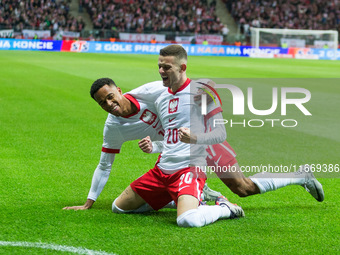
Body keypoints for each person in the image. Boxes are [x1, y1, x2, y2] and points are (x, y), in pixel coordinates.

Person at [112, 44, 245, 228]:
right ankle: (180, 198)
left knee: (187, 220)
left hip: (189, 169)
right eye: (159, 66)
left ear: (182, 68)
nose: (161, 71)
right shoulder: (161, 99)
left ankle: (225, 208)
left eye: (167, 67)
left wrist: (195, 138)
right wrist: (154, 147)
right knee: (119, 207)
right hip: (161, 170)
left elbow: (221, 134)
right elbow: (170, 137)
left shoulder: (202, 93)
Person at [63, 77, 222, 211]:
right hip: (174, 153)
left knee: (242, 187)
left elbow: (197, 84)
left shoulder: (148, 91)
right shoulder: (113, 128)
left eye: (110, 96)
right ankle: (192, 196)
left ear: (119, 91)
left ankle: (200, 197)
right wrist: (88, 202)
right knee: (121, 208)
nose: (109, 104)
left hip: (201, 138)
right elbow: (104, 165)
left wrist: (205, 96)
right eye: (103, 103)